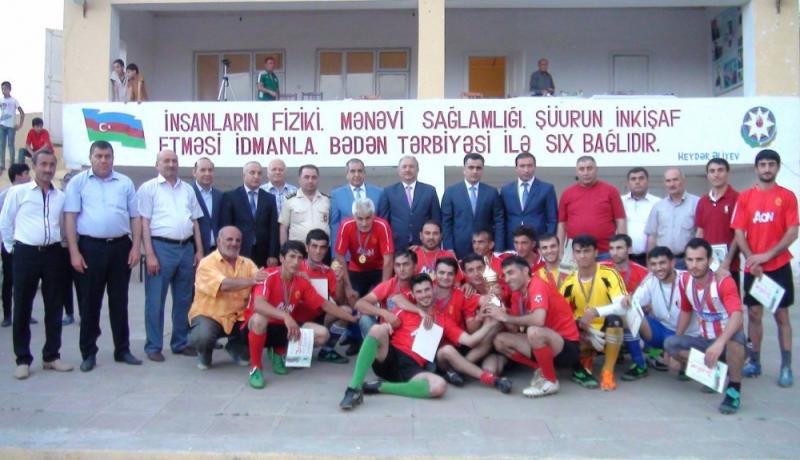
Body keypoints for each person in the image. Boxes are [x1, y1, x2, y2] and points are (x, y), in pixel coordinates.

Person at [338, 273, 501, 411]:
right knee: (376, 329)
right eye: (419, 292)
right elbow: (394, 303)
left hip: (414, 367)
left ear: (433, 290)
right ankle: (354, 388)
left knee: (439, 386)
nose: (424, 295)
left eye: (427, 290)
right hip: (390, 357)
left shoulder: (443, 320)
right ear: (413, 295)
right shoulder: (404, 309)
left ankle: (379, 387)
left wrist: (489, 325)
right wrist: (387, 326)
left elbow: (470, 341)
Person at [64, 140, 143, 372]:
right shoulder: (78, 183)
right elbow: (70, 218)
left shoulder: (125, 183)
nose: (103, 160)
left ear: (113, 158)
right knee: (90, 303)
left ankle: (122, 350)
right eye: (98, 156)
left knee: (119, 301)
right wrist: (74, 252)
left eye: (107, 156)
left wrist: (136, 247)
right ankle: (88, 353)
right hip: (90, 248)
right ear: (91, 158)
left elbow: (135, 217)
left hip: (120, 247)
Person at [245, 241, 357, 389]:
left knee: (322, 334)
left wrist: (353, 318)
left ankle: (279, 352)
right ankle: (256, 368)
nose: (295, 262)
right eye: (291, 256)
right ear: (282, 258)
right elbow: (258, 305)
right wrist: (285, 316)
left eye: (299, 258)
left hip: (284, 328)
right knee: (259, 319)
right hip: (259, 327)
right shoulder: (268, 275)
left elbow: (325, 304)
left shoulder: (302, 281)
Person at [0, 151, 72, 379]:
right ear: (34, 166)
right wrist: (12, 249)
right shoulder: (18, 193)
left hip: (52, 253)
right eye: (43, 164)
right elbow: (6, 221)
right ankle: (22, 359)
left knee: (54, 305)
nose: (48, 169)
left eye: (52, 165)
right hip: (26, 252)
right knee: (22, 306)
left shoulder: (60, 196)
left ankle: (51, 355)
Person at [732, 149, 798, 387]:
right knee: (754, 314)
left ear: (777, 167)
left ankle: (786, 366)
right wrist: (752, 259)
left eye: (771, 164)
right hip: (754, 268)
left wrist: (768, 256)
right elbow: (739, 232)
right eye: (763, 164)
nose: (767, 169)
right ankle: (755, 362)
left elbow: (792, 232)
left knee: (781, 315)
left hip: (778, 266)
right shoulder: (745, 197)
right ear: (756, 168)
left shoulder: (787, 196)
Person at [664, 238, 746, 414]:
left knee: (737, 339)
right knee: (671, 344)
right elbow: (686, 311)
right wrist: (674, 346)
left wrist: (720, 343)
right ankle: (716, 373)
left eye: (699, 260)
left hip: (726, 341)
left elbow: (737, 315)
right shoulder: (684, 280)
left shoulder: (723, 281)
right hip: (705, 340)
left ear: (709, 260)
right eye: (690, 260)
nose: (694, 265)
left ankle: (733, 389)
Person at [137, 149, 203, 362]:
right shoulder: (148, 188)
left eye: (174, 160)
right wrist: (149, 254)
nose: (171, 164)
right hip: (160, 248)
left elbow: (195, 221)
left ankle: (180, 342)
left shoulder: (188, 189)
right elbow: (144, 222)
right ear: (157, 165)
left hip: (186, 248)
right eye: (166, 160)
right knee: (155, 300)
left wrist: (199, 251)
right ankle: (153, 346)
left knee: (184, 300)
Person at [486, 255, 581, 397]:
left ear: (525, 271)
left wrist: (506, 317)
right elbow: (514, 328)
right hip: (544, 342)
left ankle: (550, 381)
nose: (507, 279)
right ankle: (542, 369)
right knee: (500, 340)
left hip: (567, 346)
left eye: (511, 273)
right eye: (504, 275)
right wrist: (500, 310)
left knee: (534, 331)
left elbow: (539, 320)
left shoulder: (537, 285)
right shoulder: (517, 293)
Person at [188, 226, 264, 370]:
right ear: (218, 241)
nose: (234, 243)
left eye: (238, 240)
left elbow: (262, 280)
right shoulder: (206, 263)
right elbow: (223, 285)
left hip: (238, 317)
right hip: (210, 316)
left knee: (260, 321)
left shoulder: (247, 263)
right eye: (229, 239)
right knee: (203, 336)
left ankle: (235, 346)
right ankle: (204, 352)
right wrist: (252, 280)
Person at [560, 235, 627, 391]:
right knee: (569, 327)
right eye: (578, 252)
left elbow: (622, 306)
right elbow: (560, 313)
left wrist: (596, 312)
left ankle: (608, 371)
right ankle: (586, 355)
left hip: (605, 329)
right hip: (584, 329)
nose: (582, 256)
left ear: (596, 252)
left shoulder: (609, 274)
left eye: (587, 251)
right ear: (574, 255)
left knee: (615, 320)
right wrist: (578, 324)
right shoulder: (569, 282)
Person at [626, 246, 700, 380]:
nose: (658, 268)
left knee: (675, 365)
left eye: (662, 263)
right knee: (631, 314)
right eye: (653, 264)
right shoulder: (651, 280)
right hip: (664, 330)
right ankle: (640, 363)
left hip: (687, 334)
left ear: (672, 262)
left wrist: (675, 343)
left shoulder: (688, 279)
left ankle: (696, 365)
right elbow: (633, 304)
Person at [302, 228, 356, 363]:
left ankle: (327, 350)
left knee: (345, 310)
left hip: (319, 316)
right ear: (306, 247)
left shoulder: (329, 271)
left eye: (322, 247)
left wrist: (340, 282)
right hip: (296, 319)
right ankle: (283, 348)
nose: (318, 251)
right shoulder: (296, 267)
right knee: (295, 363)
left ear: (327, 249)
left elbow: (339, 301)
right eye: (314, 246)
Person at [557, 156, 626, 259]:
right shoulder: (567, 194)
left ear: (596, 169)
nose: (586, 173)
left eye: (589, 168)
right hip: (575, 253)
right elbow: (561, 225)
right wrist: (560, 250)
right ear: (576, 172)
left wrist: (622, 247)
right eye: (582, 169)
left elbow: (620, 220)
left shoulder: (611, 191)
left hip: (605, 251)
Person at [441, 153, 504, 259]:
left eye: (478, 168)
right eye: (471, 167)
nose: (474, 171)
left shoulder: (491, 192)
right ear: (464, 169)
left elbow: (499, 222)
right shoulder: (451, 192)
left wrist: (498, 249)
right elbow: (446, 222)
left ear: (482, 170)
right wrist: (449, 248)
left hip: (485, 248)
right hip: (459, 248)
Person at [220, 161, 280, 268]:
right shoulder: (231, 197)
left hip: (263, 253)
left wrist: (273, 254)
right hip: (238, 250)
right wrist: (227, 251)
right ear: (244, 175)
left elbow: (274, 229)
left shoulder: (269, 198)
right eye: (252, 173)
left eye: (259, 173)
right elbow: (226, 226)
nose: (256, 176)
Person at [352, 250, 417, 345]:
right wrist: (384, 313)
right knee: (365, 319)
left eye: (406, 264)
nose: (401, 269)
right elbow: (359, 304)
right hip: (388, 332)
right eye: (398, 265)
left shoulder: (421, 284)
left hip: (411, 332)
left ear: (415, 266)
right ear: (394, 267)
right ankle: (376, 351)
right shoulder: (389, 285)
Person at [378, 155, 441, 251]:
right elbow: (384, 222)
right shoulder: (388, 192)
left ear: (417, 169)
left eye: (411, 166)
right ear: (399, 171)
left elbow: (436, 219)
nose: (408, 169)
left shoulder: (429, 191)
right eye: (404, 167)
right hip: (396, 245)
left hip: (423, 246)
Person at [334, 198, 394, 298]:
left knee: (381, 299)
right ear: (354, 216)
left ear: (373, 215)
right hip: (357, 268)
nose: (364, 223)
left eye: (368, 218)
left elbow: (388, 261)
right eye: (360, 219)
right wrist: (348, 288)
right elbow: (339, 256)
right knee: (353, 297)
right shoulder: (346, 225)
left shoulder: (382, 225)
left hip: (379, 268)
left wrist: (383, 291)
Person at [499, 153, 557, 248]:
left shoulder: (547, 189)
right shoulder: (506, 190)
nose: (526, 170)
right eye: (522, 166)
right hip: (512, 242)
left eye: (529, 166)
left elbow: (552, 220)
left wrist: (547, 243)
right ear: (516, 168)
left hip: (538, 242)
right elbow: (501, 219)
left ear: (535, 167)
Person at [645, 168, 699, 269]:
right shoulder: (658, 207)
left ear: (683, 181)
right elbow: (652, 237)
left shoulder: (696, 203)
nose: (672, 184)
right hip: (662, 262)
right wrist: (650, 264)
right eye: (668, 181)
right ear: (664, 183)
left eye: (675, 180)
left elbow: (700, 233)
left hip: (688, 261)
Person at [329, 158, 382, 260]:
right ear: (347, 174)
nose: (356, 174)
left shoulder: (378, 192)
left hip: (373, 250)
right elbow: (335, 225)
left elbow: (382, 221)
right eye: (352, 171)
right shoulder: (337, 194)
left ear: (364, 173)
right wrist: (336, 254)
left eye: (360, 171)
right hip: (348, 252)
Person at [696, 158, 740, 280]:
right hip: (706, 265)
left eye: (720, 170)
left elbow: (739, 234)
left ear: (727, 173)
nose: (716, 174)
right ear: (707, 175)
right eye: (712, 171)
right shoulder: (703, 201)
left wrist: (728, 260)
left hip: (729, 266)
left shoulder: (738, 198)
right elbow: (700, 232)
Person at [0, 163, 30, 327]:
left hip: (26, 244)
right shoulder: (5, 195)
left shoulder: (30, 193)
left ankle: (25, 313)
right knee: (9, 280)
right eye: (26, 173)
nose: (29, 176)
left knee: (26, 281)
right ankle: (7, 315)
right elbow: (4, 221)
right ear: (18, 176)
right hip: (9, 245)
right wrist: (8, 244)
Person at [279, 164, 330, 245]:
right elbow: (283, 227)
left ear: (318, 180)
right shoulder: (290, 200)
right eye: (306, 177)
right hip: (298, 249)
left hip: (322, 248)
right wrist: (283, 249)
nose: (310, 181)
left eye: (314, 177)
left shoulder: (327, 200)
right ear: (299, 179)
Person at [621, 167, 659, 266]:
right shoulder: (620, 201)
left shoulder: (658, 203)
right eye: (633, 179)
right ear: (628, 183)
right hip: (624, 257)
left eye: (641, 178)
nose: (637, 182)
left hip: (650, 257)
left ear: (648, 181)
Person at [191, 157, 223, 256]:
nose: (207, 173)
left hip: (217, 251)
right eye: (203, 170)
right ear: (194, 172)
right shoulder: (188, 193)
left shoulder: (220, 195)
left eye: (210, 170)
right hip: (194, 251)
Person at [0, 81, 25, 172]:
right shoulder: (1, 100)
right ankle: (2, 164)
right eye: (2, 89)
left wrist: (20, 124)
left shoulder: (14, 100)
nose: (3, 90)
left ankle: (12, 164)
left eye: (5, 88)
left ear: (9, 89)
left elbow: (22, 113)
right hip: (2, 126)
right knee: (1, 145)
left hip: (11, 126)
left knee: (11, 145)